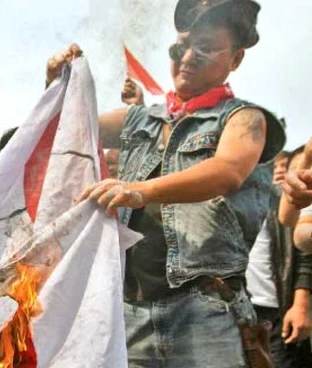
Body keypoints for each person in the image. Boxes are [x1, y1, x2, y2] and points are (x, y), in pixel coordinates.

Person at [50, 0, 286, 366]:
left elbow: (227, 171)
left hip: (207, 309)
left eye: (205, 48)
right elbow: (67, 129)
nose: (188, 57)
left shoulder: (244, 119)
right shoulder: (137, 119)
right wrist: (58, 84)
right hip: (131, 310)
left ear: (236, 59)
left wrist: (140, 190)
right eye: (180, 48)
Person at [246, 148, 312, 368]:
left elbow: (303, 248)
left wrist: (301, 304)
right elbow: (293, 223)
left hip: (277, 309)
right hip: (245, 307)